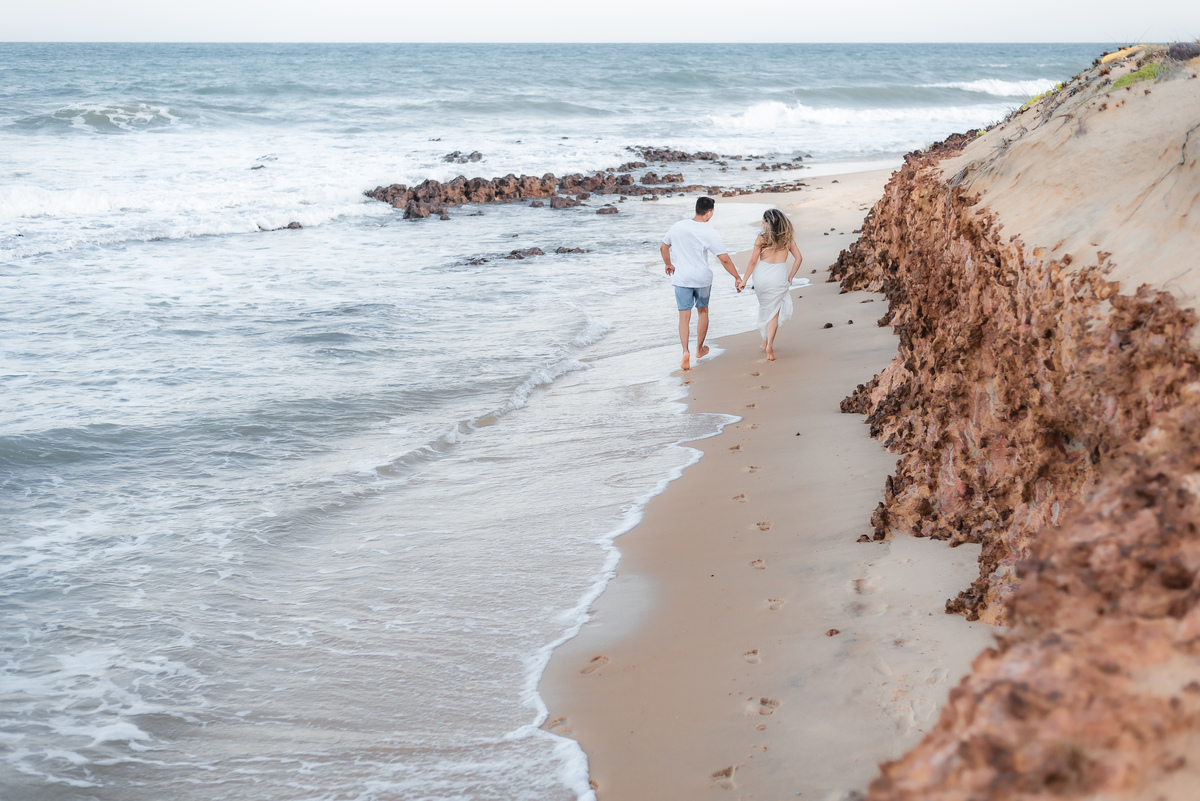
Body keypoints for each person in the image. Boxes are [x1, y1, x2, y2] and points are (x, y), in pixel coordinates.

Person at [660, 197, 742, 371]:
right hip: (702, 279)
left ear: (696, 209)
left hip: (682, 279)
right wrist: (737, 277)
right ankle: (699, 349)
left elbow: (663, 247)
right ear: (710, 212)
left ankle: (685, 352)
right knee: (703, 311)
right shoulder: (710, 232)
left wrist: (668, 264)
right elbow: (724, 259)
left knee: (684, 316)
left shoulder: (677, 226)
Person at [737, 209, 805, 361]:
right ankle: (769, 345)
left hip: (761, 278)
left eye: (763, 222)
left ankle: (765, 341)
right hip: (779, 277)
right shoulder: (788, 238)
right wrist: (791, 276)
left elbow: (753, 262)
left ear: (769, 223)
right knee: (773, 312)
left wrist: (744, 280)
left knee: (765, 307)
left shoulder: (761, 239)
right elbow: (799, 258)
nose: (762, 225)